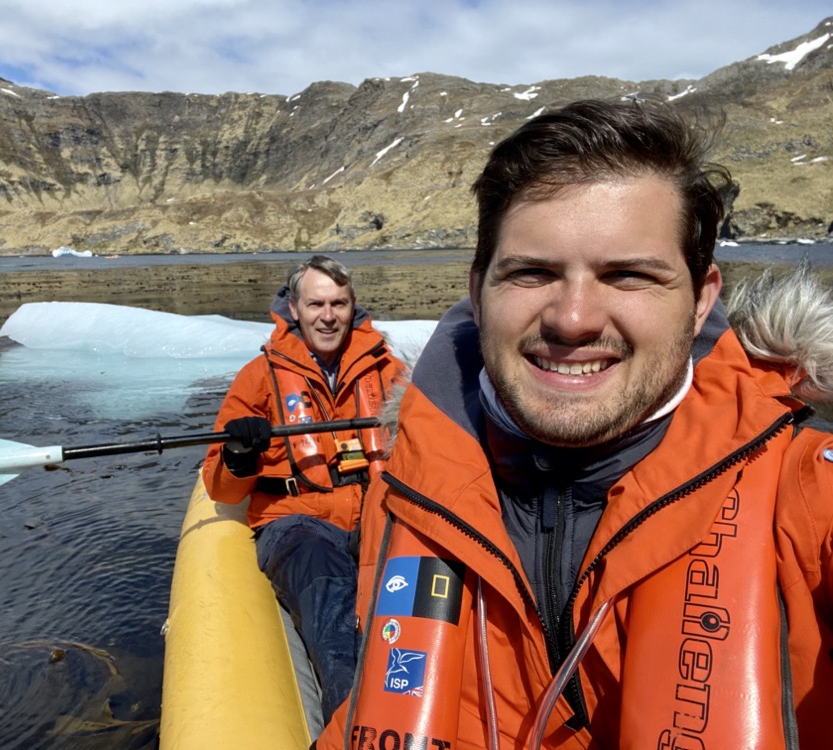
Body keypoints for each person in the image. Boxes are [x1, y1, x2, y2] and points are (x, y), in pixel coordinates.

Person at [317, 99, 833, 749]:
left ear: (701, 300)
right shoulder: (408, 489)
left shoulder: (806, 493)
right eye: (532, 272)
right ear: (478, 292)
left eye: (629, 276)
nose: (573, 319)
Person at [202, 254, 406, 725]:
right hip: (296, 523)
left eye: (339, 303)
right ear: (294, 308)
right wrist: (239, 454)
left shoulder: (389, 371)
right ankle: (355, 723)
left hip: (377, 511)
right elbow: (223, 489)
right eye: (316, 304)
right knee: (328, 587)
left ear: (353, 306)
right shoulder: (258, 377)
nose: (328, 316)